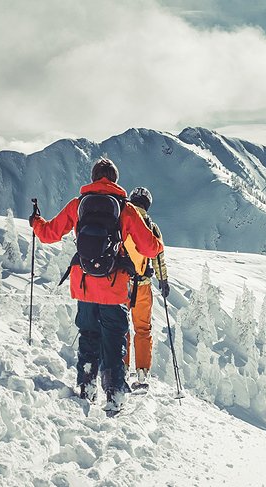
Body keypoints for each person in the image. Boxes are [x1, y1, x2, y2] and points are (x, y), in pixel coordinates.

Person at [30, 157, 163, 414]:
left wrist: (36, 222)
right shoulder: (126, 209)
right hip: (114, 288)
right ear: (114, 180)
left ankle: (86, 386)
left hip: (85, 285)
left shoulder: (78, 205)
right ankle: (114, 395)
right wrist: (158, 243)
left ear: (93, 178)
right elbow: (149, 247)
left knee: (89, 336)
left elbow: (49, 234)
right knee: (114, 340)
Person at [123, 186, 170, 388]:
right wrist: (163, 280)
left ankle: (121, 367)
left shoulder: (122, 219)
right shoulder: (152, 226)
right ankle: (142, 373)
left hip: (122, 283)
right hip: (142, 285)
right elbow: (158, 256)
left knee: (120, 327)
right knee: (142, 329)